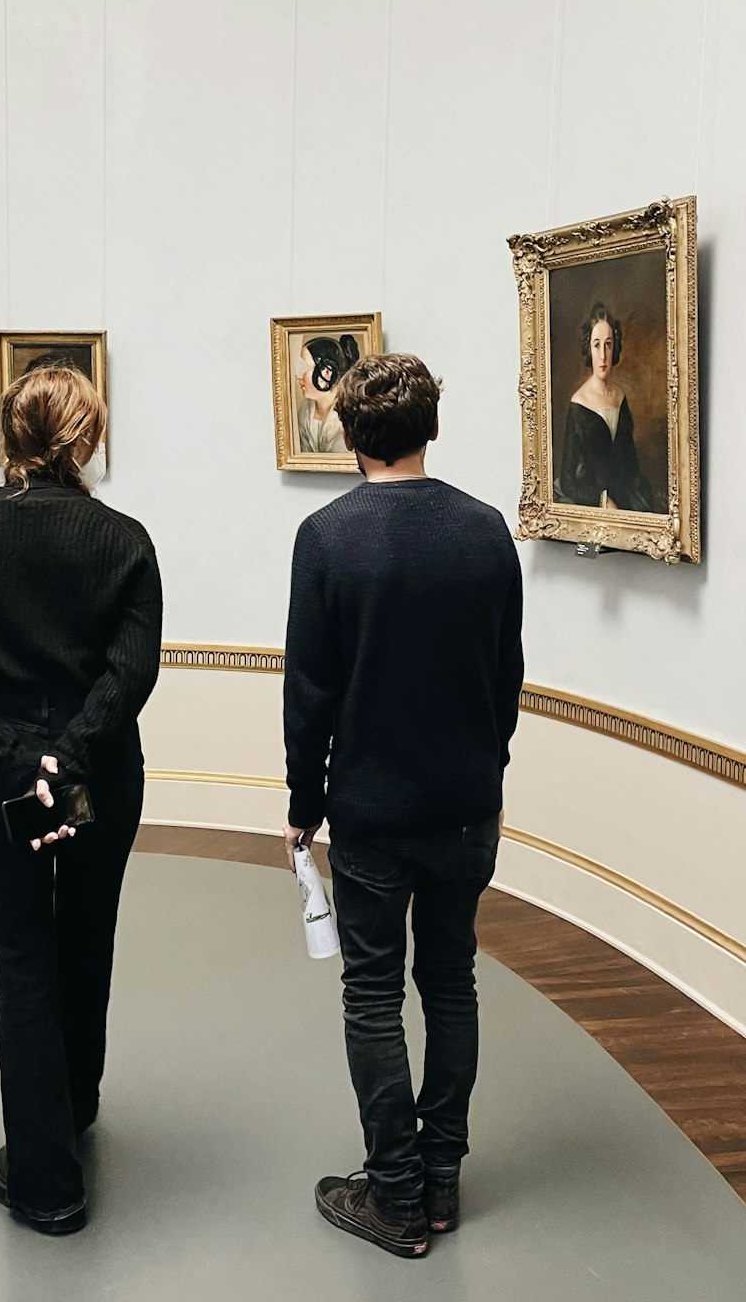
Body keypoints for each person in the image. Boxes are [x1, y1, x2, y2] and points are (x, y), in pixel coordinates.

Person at [282, 353, 523, 1259]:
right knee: (451, 982)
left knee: (374, 995)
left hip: (374, 813)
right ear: (431, 427)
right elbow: (506, 678)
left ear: (349, 435)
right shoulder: (486, 531)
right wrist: (481, 765)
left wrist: (305, 804)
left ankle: (394, 1195)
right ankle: (444, 1182)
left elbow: (309, 692)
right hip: (467, 806)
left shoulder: (328, 538)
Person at [0, 362, 162, 1234]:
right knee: (87, 941)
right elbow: (131, 676)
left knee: (23, 964)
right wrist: (65, 762)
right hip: (101, 779)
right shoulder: (124, 540)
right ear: (85, 439)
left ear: (11, 436)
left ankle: (46, 1179)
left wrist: (19, 764)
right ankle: (76, 1106)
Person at [556, 302, 653, 511]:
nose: (603, 355)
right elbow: (567, 480)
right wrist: (601, 501)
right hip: (593, 501)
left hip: (625, 496)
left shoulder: (620, 397)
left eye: (608, 344)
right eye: (597, 345)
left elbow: (631, 466)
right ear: (588, 348)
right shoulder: (578, 405)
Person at [296, 334, 359, 453]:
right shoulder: (304, 411)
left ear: (327, 372)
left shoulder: (350, 416)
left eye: (304, 368)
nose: (298, 376)